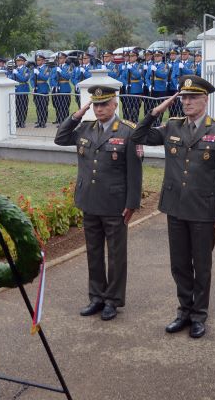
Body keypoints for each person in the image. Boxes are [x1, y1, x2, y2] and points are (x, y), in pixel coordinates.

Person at [131, 75, 215, 338]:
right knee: (179, 264)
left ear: (205, 99)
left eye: (193, 97)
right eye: (184, 97)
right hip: (175, 207)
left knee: (201, 265)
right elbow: (138, 135)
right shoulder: (172, 127)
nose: (188, 102)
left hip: (204, 209)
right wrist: (158, 110)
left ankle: (199, 315)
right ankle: (184, 311)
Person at [55, 85, 143, 321]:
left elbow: (135, 172)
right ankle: (96, 296)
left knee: (116, 255)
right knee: (93, 252)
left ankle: (112, 300)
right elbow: (60, 138)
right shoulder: (85, 128)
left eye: (104, 104)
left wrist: (132, 203)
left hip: (115, 204)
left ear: (115, 105)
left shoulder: (128, 131)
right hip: (90, 200)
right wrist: (77, 115)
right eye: (96, 104)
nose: (100, 108)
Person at [50, 52, 72, 125]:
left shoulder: (68, 67)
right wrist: (55, 85)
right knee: (57, 105)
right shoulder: (55, 68)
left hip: (65, 88)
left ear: (65, 59)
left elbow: (68, 76)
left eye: (61, 58)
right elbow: (52, 77)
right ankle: (59, 119)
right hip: (57, 88)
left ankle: (65, 121)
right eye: (58, 58)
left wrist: (61, 71)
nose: (59, 60)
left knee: (65, 105)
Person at [122, 49, 143, 124]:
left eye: (133, 56)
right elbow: (123, 77)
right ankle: (130, 121)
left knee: (136, 107)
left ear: (136, 57)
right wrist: (126, 84)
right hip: (129, 89)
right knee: (129, 107)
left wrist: (131, 69)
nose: (131, 58)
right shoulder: (127, 66)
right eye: (130, 56)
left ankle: (136, 121)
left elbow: (137, 75)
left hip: (137, 89)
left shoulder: (139, 66)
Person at [10, 55, 31, 128]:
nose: (18, 62)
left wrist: (17, 74)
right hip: (16, 90)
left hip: (23, 89)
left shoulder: (26, 70)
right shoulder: (15, 70)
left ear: (23, 62)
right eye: (17, 61)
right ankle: (18, 121)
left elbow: (24, 79)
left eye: (19, 61)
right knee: (17, 107)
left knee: (23, 106)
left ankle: (22, 121)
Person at [31, 53, 51, 128]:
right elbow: (32, 79)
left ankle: (43, 121)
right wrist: (33, 86)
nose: (38, 62)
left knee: (44, 106)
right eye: (37, 60)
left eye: (39, 60)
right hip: (36, 89)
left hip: (43, 89)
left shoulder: (46, 68)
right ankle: (39, 120)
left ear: (43, 61)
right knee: (38, 106)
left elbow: (45, 78)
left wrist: (38, 73)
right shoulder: (35, 69)